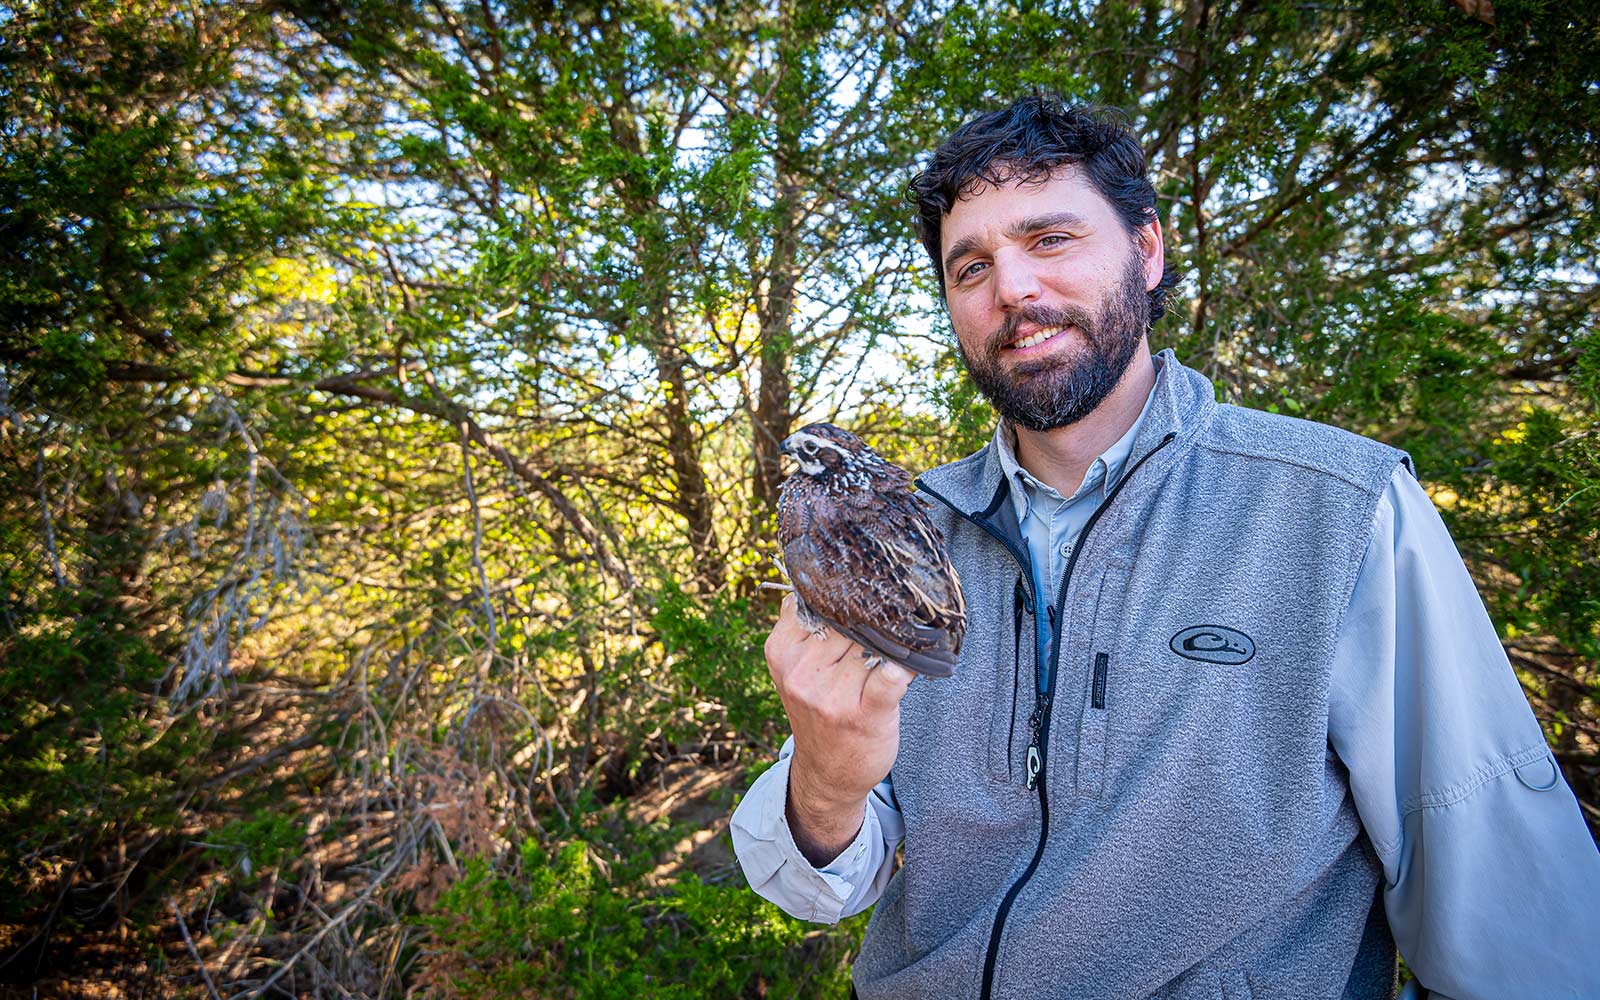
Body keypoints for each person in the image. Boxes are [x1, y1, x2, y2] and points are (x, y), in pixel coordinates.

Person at [730, 94, 1600, 1000]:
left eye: (1051, 240)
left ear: (1147, 251)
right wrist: (826, 784)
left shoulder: (1333, 510)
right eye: (971, 266)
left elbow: (1503, 897)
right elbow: (818, 884)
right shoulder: (904, 533)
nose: (1013, 290)